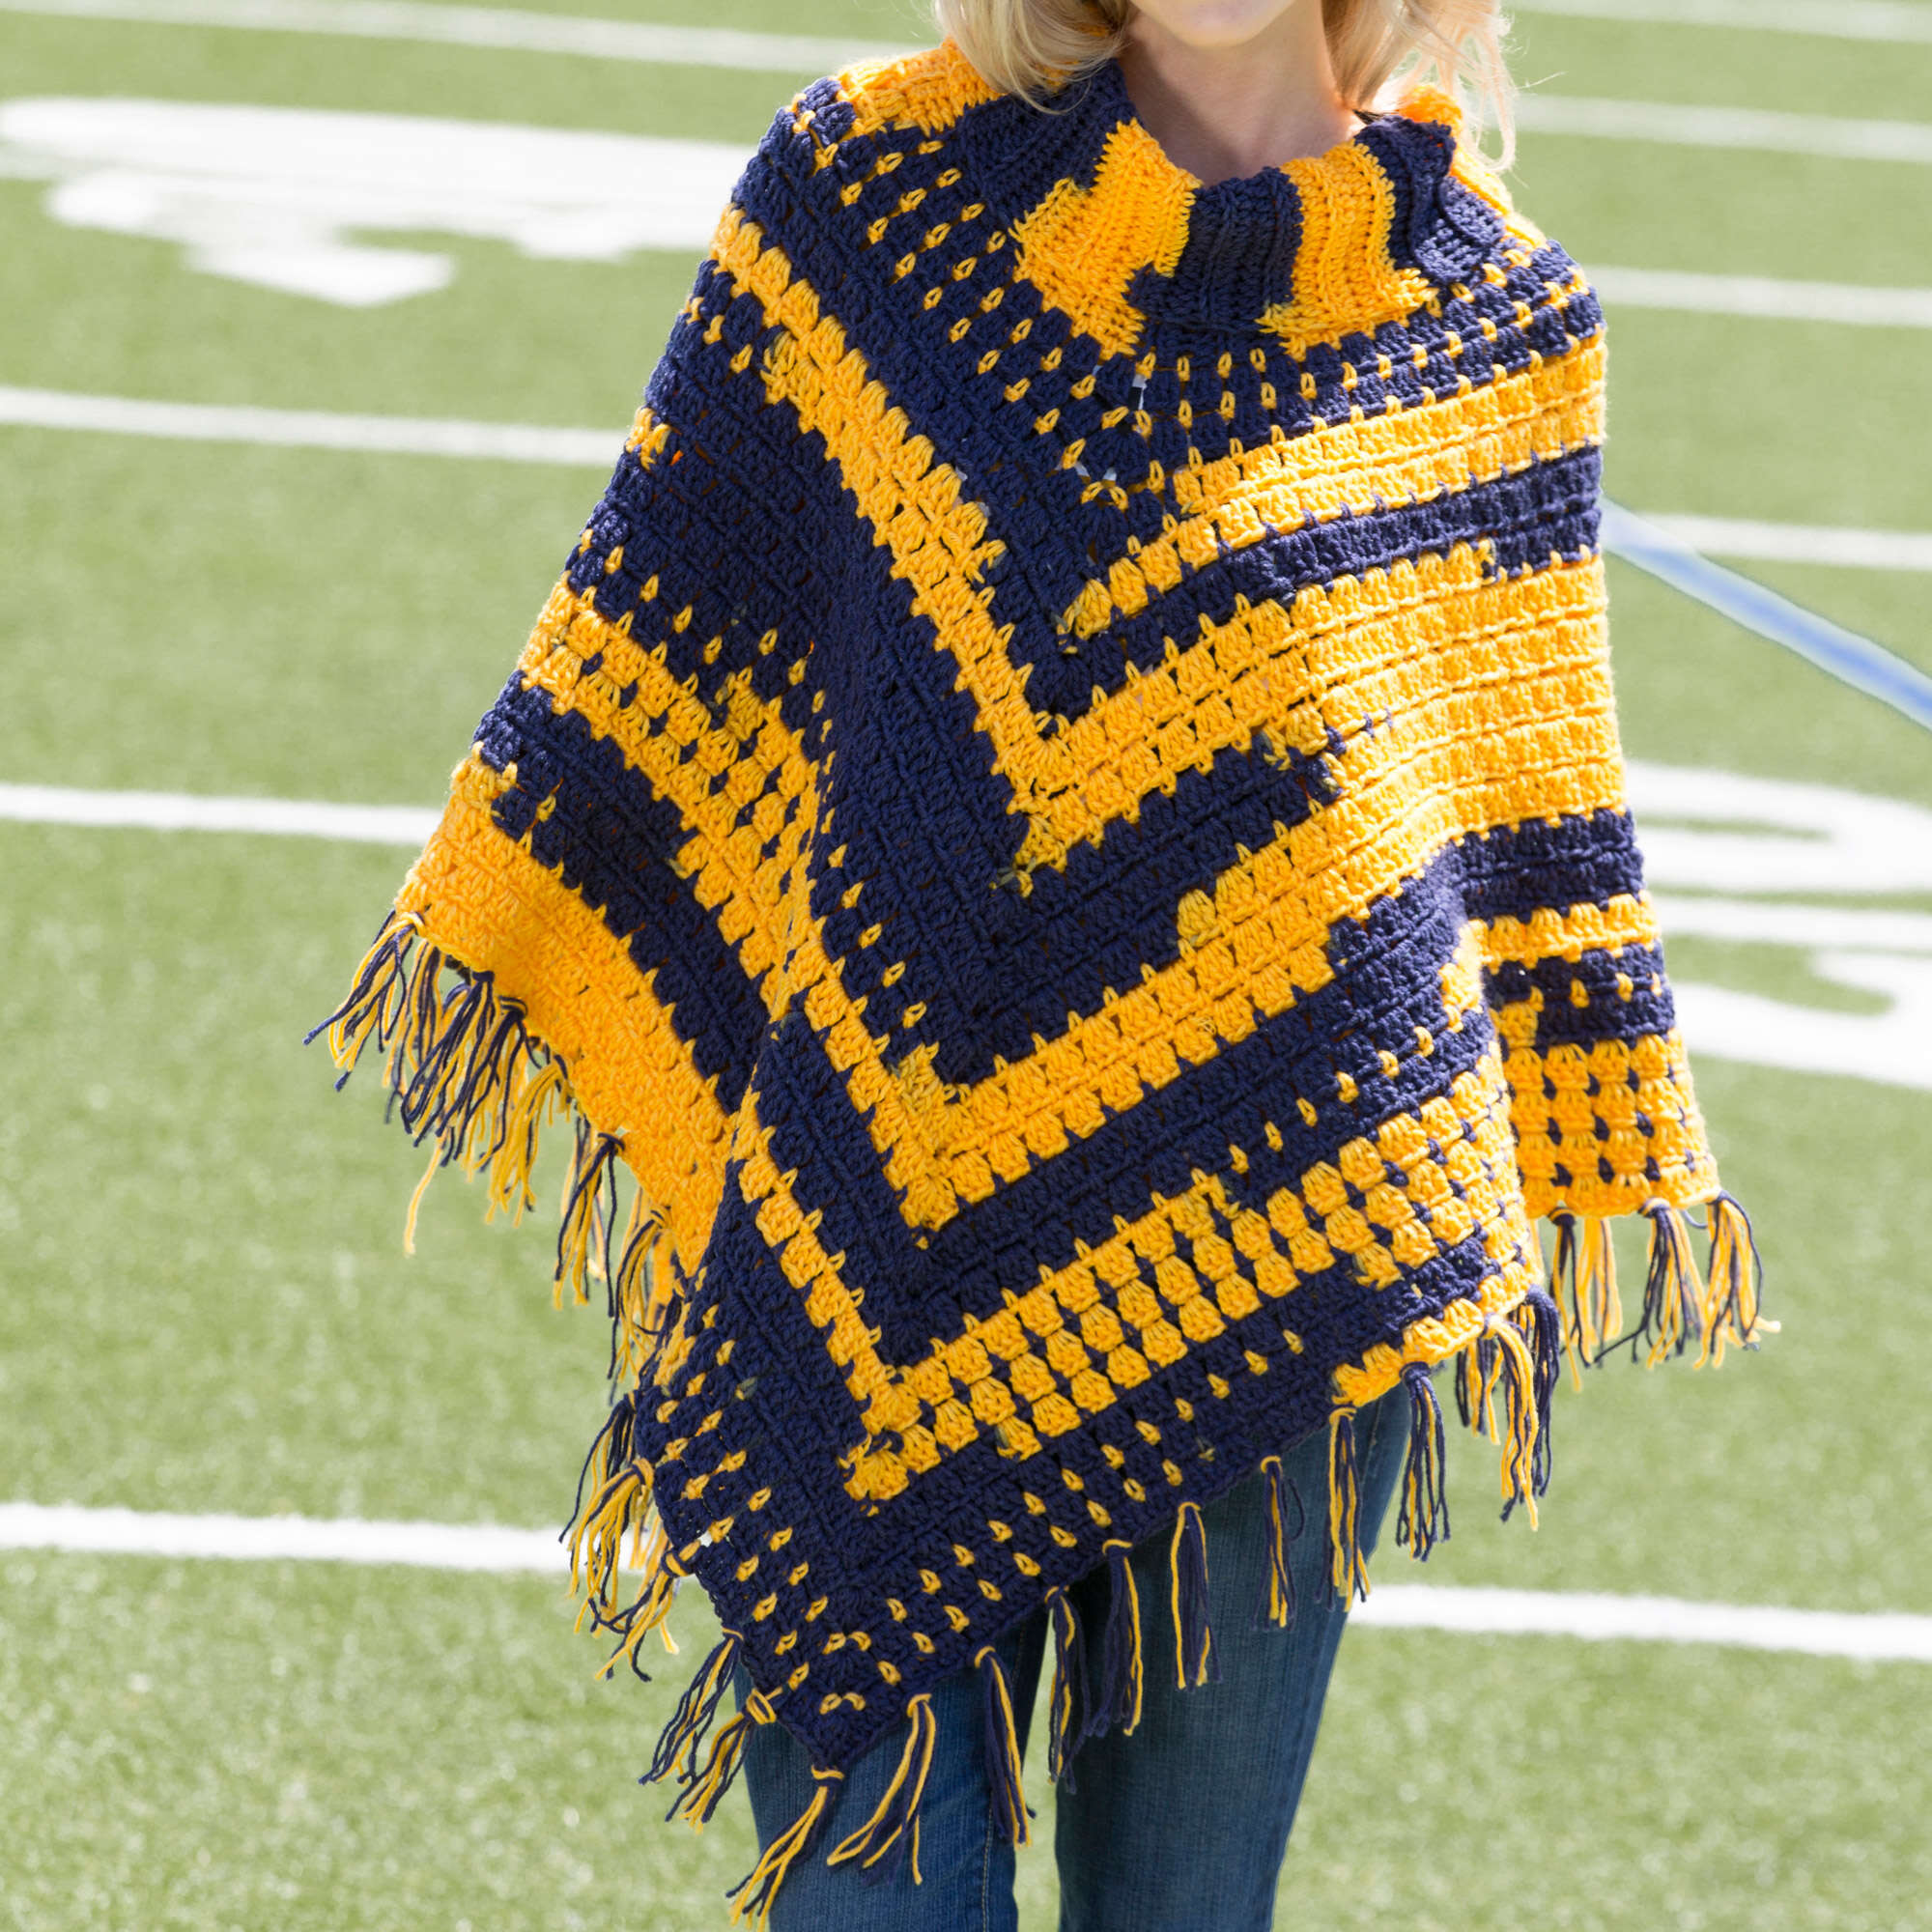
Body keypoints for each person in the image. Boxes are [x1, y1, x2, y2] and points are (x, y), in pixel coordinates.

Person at [313, 0, 1768, 1925]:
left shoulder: (1499, 330)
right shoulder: (864, 198)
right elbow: (671, 662)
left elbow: (1506, 847)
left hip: (1270, 1287)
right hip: (837, 1253)